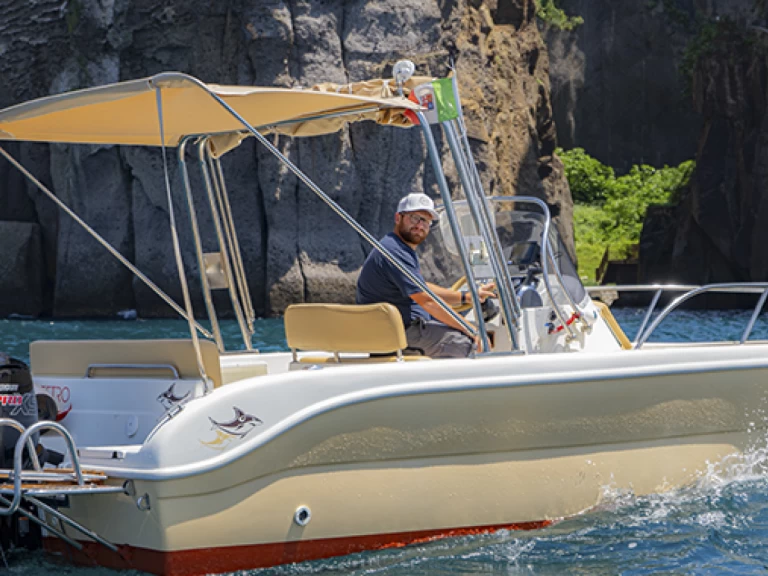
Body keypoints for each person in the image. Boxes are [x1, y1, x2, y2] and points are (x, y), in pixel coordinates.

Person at [356, 193, 495, 358]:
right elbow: (427, 301)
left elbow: (421, 288)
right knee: (470, 344)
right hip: (400, 334)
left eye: (426, 221)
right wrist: (472, 330)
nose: (420, 226)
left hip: (396, 331)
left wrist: (465, 297)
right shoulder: (395, 252)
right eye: (415, 218)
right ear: (398, 218)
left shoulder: (397, 247)